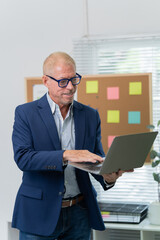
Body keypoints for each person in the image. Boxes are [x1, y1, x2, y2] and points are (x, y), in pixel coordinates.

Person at [12, 52, 127, 240]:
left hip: (79, 212)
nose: (71, 87)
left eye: (74, 79)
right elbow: (23, 158)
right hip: (38, 212)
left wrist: (107, 176)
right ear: (45, 81)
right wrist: (66, 155)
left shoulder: (90, 115)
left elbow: (94, 157)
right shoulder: (26, 113)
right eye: (63, 81)